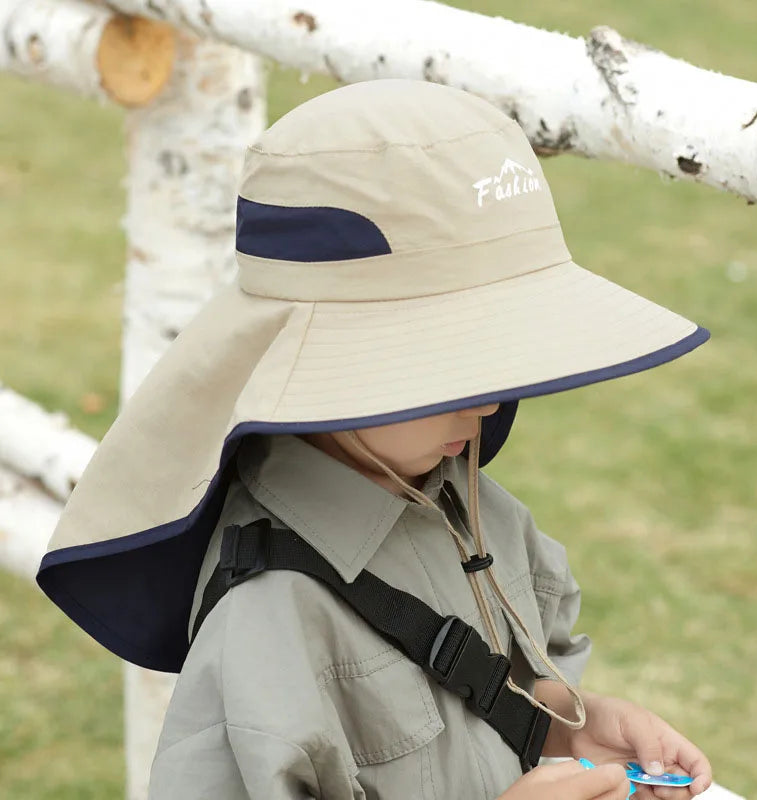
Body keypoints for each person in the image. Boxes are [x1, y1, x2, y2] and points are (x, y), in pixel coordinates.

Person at [37, 79, 713, 800]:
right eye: (455, 361)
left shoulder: (474, 510)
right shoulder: (268, 618)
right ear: (327, 361)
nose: (489, 400)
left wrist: (561, 727)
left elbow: (469, 698)